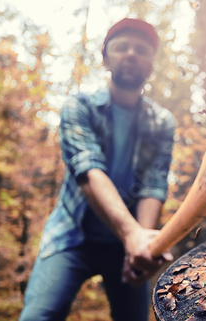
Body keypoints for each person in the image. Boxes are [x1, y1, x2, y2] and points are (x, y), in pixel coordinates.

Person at [19, 17, 176, 321]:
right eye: (121, 47)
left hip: (126, 242)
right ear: (105, 60)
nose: (131, 54)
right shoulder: (79, 107)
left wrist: (143, 245)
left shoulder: (162, 122)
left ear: (151, 65)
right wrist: (133, 234)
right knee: (39, 315)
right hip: (71, 236)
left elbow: (154, 185)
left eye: (142, 49)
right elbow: (88, 171)